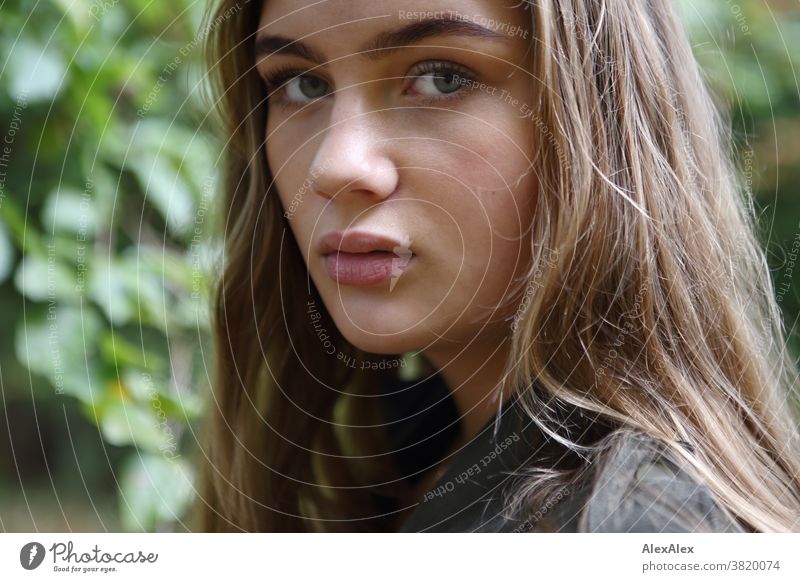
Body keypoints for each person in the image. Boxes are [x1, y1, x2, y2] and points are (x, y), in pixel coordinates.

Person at [196, 0, 800, 532]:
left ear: (599, 120)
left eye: (441, 77)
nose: (335, 164)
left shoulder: (635, 525)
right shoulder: (387, 466)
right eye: (301, 84)